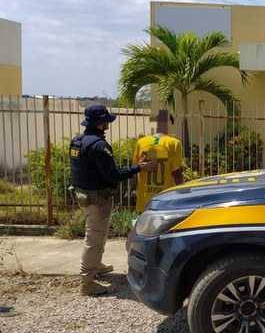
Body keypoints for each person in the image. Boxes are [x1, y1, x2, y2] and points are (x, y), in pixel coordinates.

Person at [69, 105, 157, 296]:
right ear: (102, 124)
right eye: (107, 120)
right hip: (97, 199)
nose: (109, 123)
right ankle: (87, 282)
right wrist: (138, 168)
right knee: (94, 238)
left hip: (83, 195)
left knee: (98, 234)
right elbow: (114, 176)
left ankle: (96, 265)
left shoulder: (77, 141)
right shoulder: (99, 146)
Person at [133, 109, 183, 213]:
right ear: (169, 123)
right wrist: (181, 192)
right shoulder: (175, 143)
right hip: (165, 198)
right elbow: (176, 172)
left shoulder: (141, 142)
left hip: (145, 198)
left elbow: (136, 169)